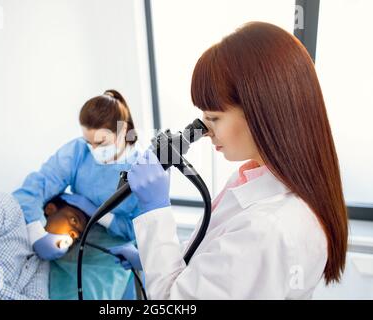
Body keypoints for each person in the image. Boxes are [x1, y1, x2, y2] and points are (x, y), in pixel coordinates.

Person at [113, 22, 348, 299]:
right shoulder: (254, 178)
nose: (206, 130)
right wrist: (151, 258)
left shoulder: (267, 229)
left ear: (262, 113)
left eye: (214, 118)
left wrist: (155, 212)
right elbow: (216, 266)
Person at [13, 90, 141, 261]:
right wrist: (35, 232)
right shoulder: (78, 151)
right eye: (89, 143)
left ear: (122, 129)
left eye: (101, 142)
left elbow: (143, 230)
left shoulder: (142, 170)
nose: (94, 150)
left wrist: (102, 216)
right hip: (77, 237)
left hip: (115, 246)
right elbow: (34, 189)